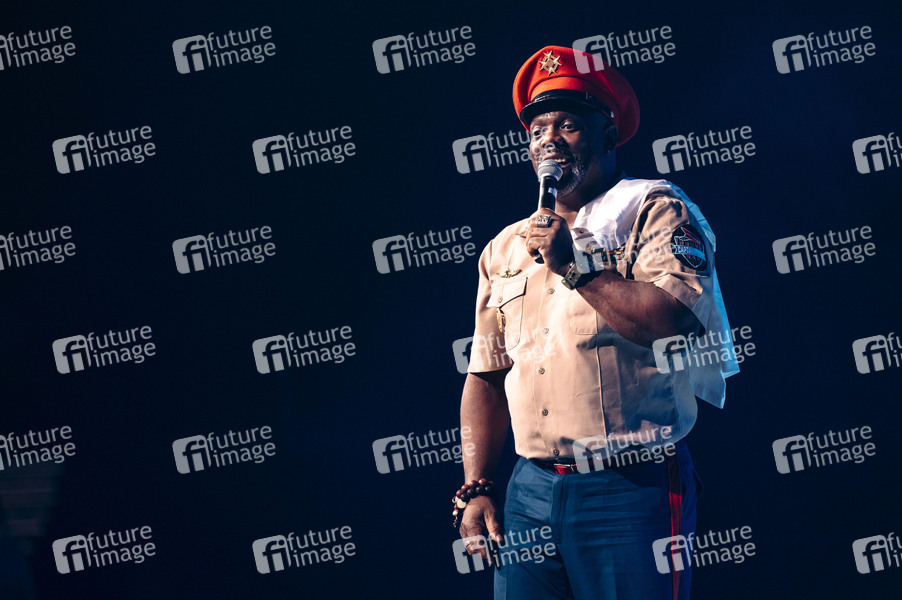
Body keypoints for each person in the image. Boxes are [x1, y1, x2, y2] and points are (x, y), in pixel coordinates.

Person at [456, 46, 737, 600]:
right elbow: (486, 375)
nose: (549, 140)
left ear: (608, 136)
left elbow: (674, 322)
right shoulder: (505, 247)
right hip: (530, 490)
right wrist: (476, 487)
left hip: (629, 486)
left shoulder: (654, 210)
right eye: (538, 129)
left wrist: (574, 266)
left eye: (568, 125)